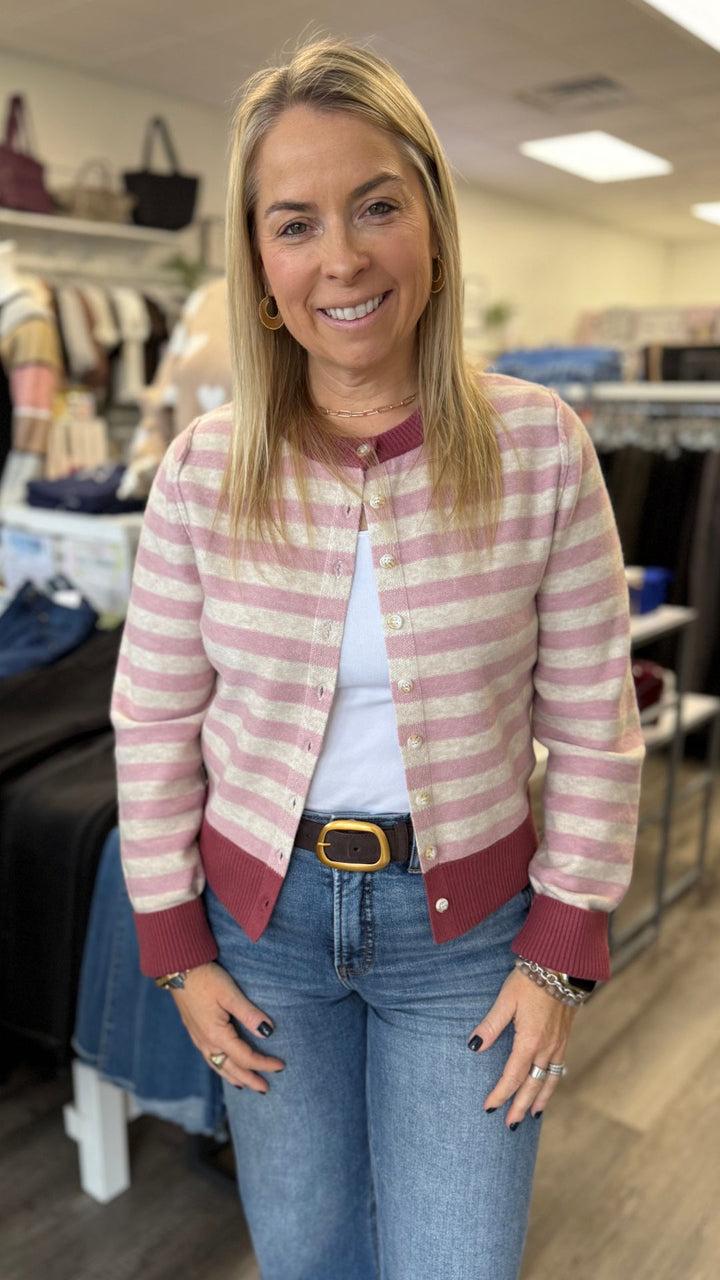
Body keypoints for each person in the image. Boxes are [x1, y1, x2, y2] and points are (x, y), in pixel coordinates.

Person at [111, 37, 644, 1280]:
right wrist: (174, 945)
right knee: (306, 1258)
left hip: (467, 935)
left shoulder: (540, 447)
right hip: (263, 932)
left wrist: (562, 946)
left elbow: (596, 719)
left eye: (377, 206)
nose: (340, 257)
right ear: (257, 268)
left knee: (456, 1262)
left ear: (436, 227)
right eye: (294, 224)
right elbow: (151, 721)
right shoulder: (202, 468)